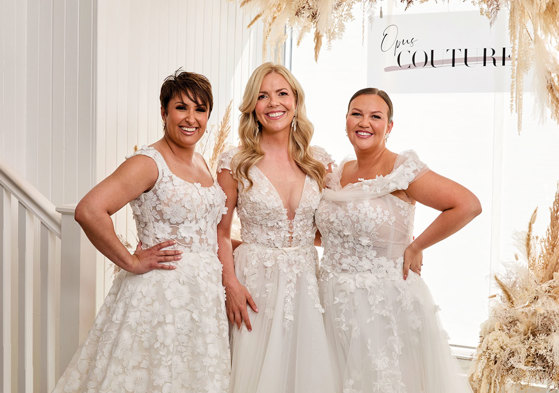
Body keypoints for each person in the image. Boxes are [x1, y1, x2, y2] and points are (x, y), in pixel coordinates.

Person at [52, 70, 230, 393]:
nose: (191, 118)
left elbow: (206, 232)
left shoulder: (203, 163)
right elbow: (89, 210)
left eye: (200, 109)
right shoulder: (149, 163)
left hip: (203, 302)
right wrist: (131, 262)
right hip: (160, 299)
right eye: (181, 108)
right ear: (164, 112)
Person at [317, 88, 481, 393]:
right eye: (357, 114)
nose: (364, 122)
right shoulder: (335, 174)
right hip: (331, 302)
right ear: (346, 121)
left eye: (375, 116)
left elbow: (467, 205)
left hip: (382, 306)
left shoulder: (402, 171)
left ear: (389, 127)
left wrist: (416, 246)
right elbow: (328, 233)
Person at [216, 62, 336, 393]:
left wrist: (385, 243)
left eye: (282, 94)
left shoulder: (320, 162)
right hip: (253, 282)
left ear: (295, 101)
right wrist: (230, 284)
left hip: (306, 281)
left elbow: (331, 230)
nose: (273, 103)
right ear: (252, 107)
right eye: (262, 96)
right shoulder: (235, 162)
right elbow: (220, 233)